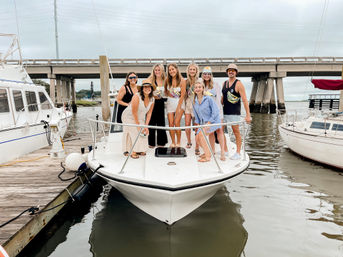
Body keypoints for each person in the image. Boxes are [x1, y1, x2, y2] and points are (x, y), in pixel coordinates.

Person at [222, 64, 251, 160]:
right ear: (227, 72)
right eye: (229, 70)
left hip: (234, 113)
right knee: (222, 132)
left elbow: (245, 100)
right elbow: (222, 98)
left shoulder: (239, 84)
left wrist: (248, 115)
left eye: (233, 70)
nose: (231, 72)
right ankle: (225, 150)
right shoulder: (224, 83)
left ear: (236, 72)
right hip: (224, 112)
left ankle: (238, 152)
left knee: (236, 132)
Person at [122, 79, 155, 159]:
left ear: (151, 88)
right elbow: (134, 113)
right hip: (129, 116)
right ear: (142, 89)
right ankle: (132, 151)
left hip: (140, 117)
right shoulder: (137, 96)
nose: (147, 89)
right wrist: (137, 126)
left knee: (144, 131)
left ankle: (140, 149)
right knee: (135, 131)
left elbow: (149, 113)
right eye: (145, 87)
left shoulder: (152, 99)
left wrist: (146, 126)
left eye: (149, 87)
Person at [192, 81, 222, 162]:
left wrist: (209, 123)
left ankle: (208, 156)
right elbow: (196, 116)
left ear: (202, 89)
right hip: (203, 123)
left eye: (199, 87)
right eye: (196, 87)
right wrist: (198, 126)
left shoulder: (208, 98)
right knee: (197, 138)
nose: (198, 89)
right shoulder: (194, 101)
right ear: (194, 89)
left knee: (202, 135)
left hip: (213, 122)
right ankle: (208, 152)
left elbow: (215, 112)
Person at [201, 66, 227, 160]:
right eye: (205, 74)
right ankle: (212, 151)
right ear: (202, 75)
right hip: (207, 113)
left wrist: (216, 113)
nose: (206, 76)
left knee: (219, 131)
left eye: (208, 74)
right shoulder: (201, 85)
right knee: (211, 132)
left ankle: (223, 152)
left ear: (211, 75)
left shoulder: (216, 85)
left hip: (217, 111)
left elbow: (218, 99)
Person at [164, 63, 186, 147]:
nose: (171, 71)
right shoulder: (167, 80)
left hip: (179, 103)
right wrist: (170, 95)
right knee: (170, 123)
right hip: (170, 102)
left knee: (177, 123)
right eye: (170, 70)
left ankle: (178, 142)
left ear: (176, 69)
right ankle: (173, 142)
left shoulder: (182, 80)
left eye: (173, 69)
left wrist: (178, 107)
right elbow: (165, 91)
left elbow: (183, 94)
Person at [147, 64, 168, 148]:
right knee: (151, 121)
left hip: (161, 102)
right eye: (156, 70)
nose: (157, 72)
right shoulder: (150, 79)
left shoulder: (165, 80)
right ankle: (151, 142)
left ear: (162, 71)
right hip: (152, 102)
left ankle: (161, 142)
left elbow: (168, 91)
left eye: (159, 70)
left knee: (161, 121)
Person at [185, 63, 199, 149]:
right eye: (191, 69)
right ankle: (189, 142)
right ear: (188, 71)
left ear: (196, 71)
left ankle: (197, 145)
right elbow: (184, 94)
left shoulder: (199, 81)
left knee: (197, 125)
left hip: (197, 104)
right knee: (187, 124)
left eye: (194, 69)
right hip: (188, 104)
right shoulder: (186, 81)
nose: (192, 71)